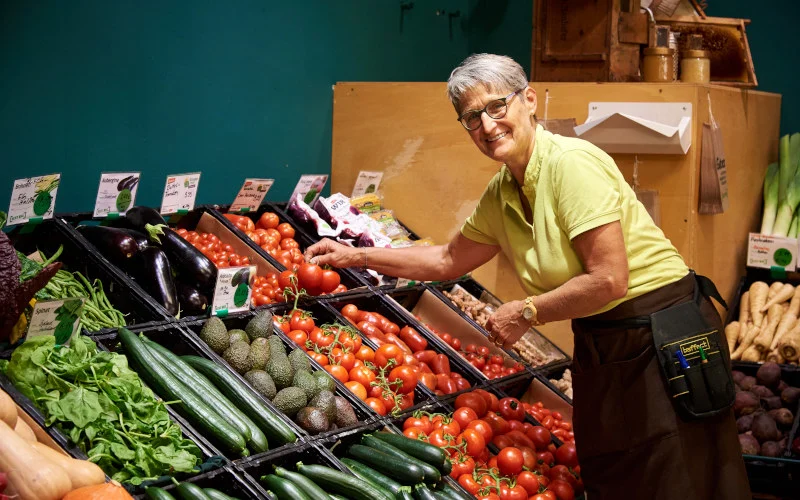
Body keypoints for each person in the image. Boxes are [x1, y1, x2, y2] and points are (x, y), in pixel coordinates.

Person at [305, 53, 750, 499]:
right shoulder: (503, 192)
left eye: (497, 106)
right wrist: (355, 257)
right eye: (472, 117)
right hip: (606, 338)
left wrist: (529, 311)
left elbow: (609, 279)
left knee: (675, 476)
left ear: (529, 100)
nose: (487, 125)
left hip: (661, 334)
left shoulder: (570, 164)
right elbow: (445, 260)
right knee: (614, 471)